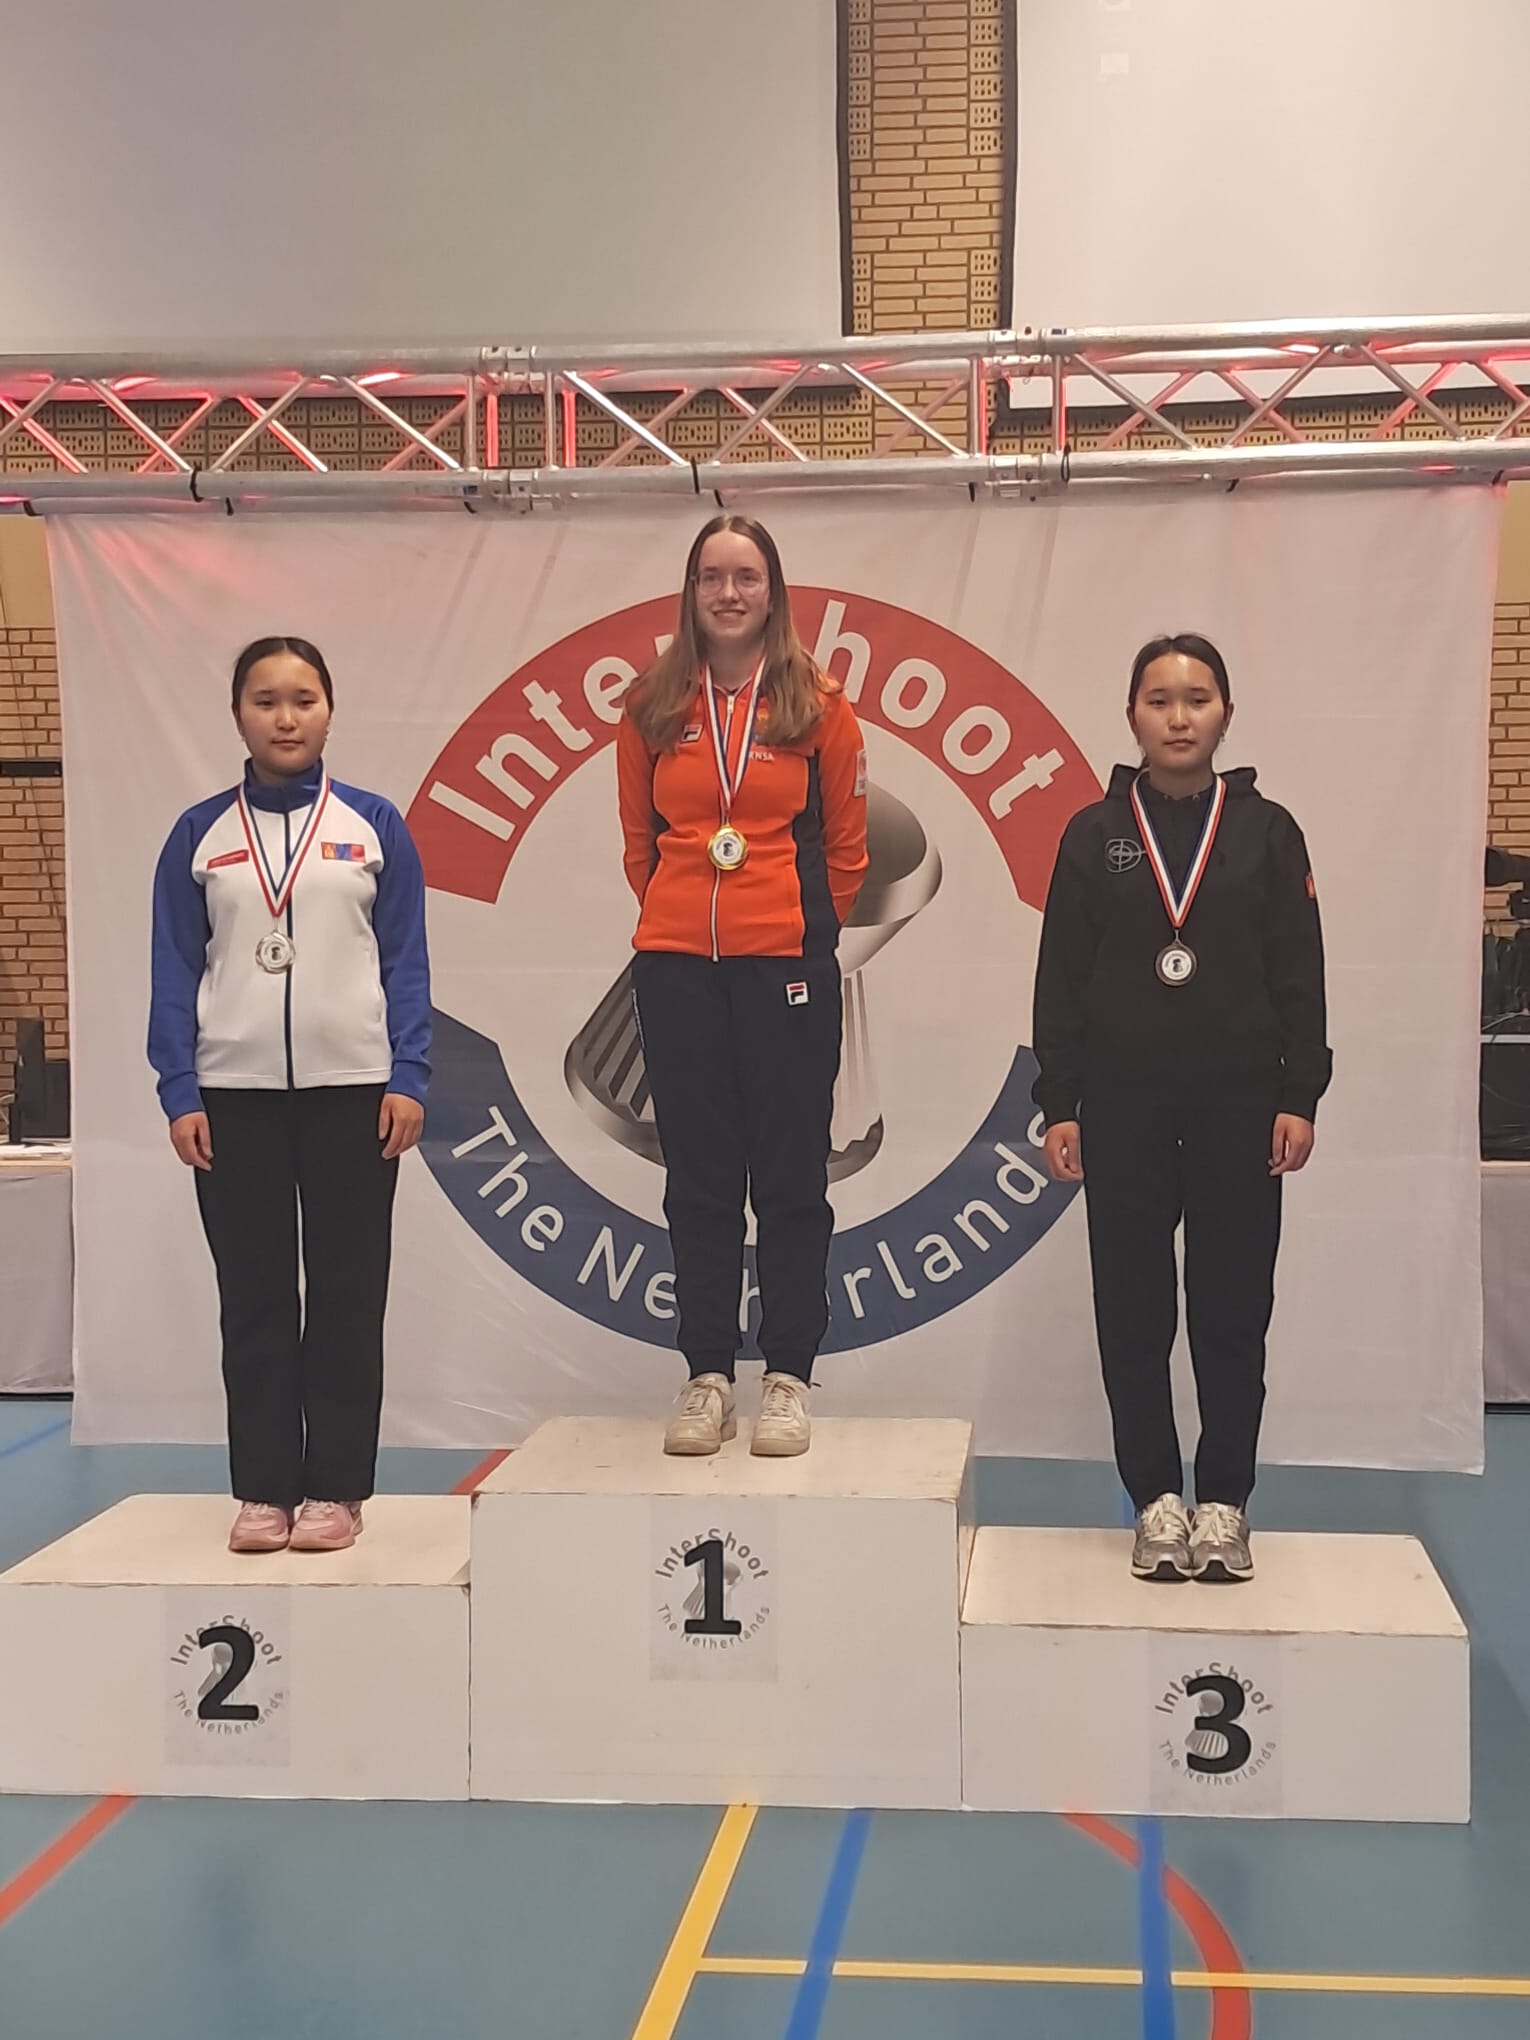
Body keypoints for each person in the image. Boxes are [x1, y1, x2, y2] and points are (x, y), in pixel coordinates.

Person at [1032, 633, 1330, 1583]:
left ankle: (1225, 1501)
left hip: (1239, 1107)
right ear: (1131, 715)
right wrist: (1060, 1100)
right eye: (1158, 699)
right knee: (1133, 1310)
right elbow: (1060, 979)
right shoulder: (1092, 835)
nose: (1178, 717)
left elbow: (1300, 971)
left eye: (1197, 699)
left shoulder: (1268, 832)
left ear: (1226, 714)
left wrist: (1300, 1092)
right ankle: (1157, 1498)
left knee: (1232, 1311)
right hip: (1121, 1106)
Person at [148, 637, 430, 1554]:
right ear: (238, 714)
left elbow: (406, 962)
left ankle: (338, 1489)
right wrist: (180, 1088)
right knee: (255, 1297)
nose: (284, 717)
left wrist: (410, 1074)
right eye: (264, 700)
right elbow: (173, 967)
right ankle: (265, 1489)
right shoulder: (199, 835)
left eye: (303, 699)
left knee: (348, 1295)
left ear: (330, 711)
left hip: (356, 1093)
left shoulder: (373, 825)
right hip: (234, 1097)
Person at [617, 514, 868, 1457]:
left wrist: (791, 932)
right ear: (690, 592)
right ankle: (708, 1375)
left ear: (774, 592)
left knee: (792, 1177)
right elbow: (640, 844)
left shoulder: (820, 705)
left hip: (784, 968)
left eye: (747, 577)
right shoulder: (651, 705)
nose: (729, 594)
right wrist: (685, 920)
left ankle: (789, 1374)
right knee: (699, 1180)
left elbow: (847, 851)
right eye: (712, 577)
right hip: (677, 968)